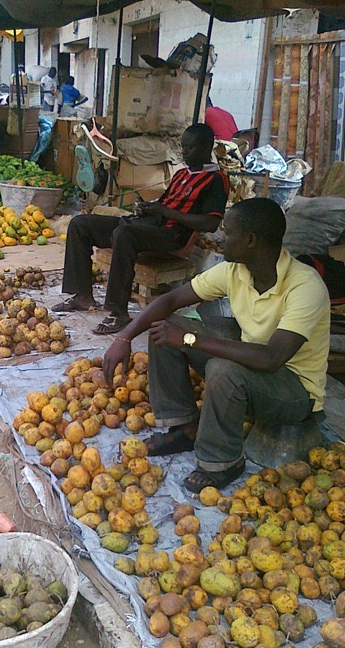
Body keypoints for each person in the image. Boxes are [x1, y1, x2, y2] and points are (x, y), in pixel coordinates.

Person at [103, 197, 330, 493]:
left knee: (222, 369)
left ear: (249, 240)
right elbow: (169, 300)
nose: (220, 238)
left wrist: (192, 339)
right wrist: (124, 337)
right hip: (253, 365)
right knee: (164, 328)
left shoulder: (305, 287)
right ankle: (185, 427)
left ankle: (222, 462)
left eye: (228, 231)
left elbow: (272, 358)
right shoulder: (236, 271)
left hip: (294, 391)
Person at [53, 123, 229, 334]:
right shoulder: (183, 174)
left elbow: (210, 224)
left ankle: (119, 312)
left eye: (189, 148)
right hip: (152, 226)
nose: (184, 153)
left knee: (124, 234)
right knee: (81, 224)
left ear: (206, 147)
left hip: (173, 235)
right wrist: (149, 209)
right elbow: (165, 204)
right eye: (183, 147)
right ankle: (82, 296)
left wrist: (165, 212)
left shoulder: (216, 180)